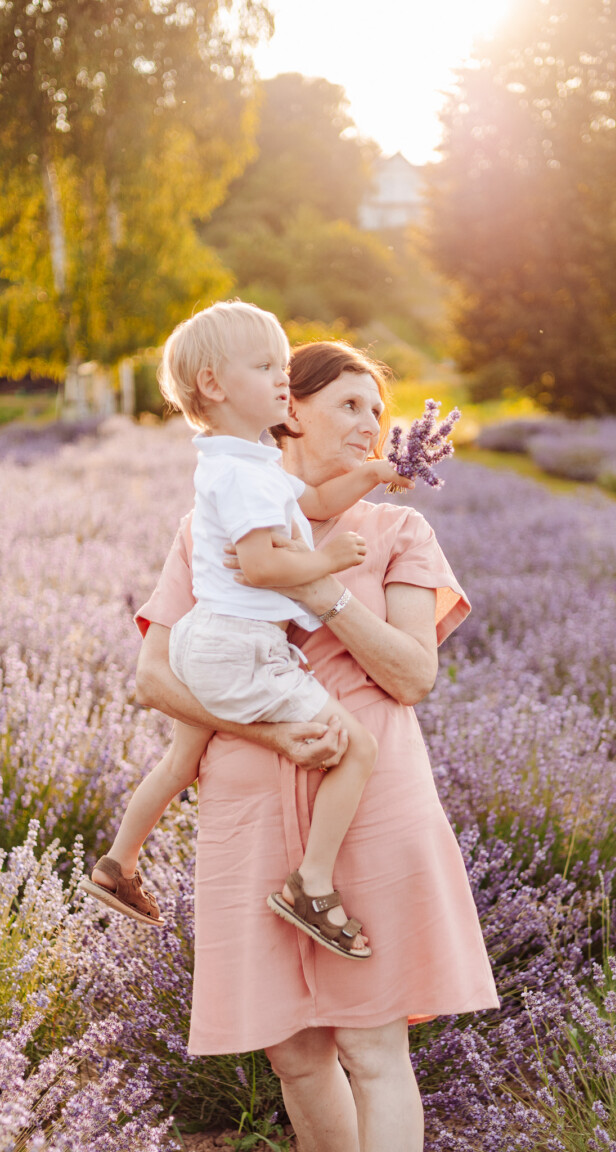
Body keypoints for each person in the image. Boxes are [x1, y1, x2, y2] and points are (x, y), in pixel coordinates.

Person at [133, 339, 499, 1151]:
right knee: (294, 1054)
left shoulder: (397, 529)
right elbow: (154, 679)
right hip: (251, 801)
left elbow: (410, 675)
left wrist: (323, 591)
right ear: (288, 408)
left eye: (379, 409)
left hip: (370, 804)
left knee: (373, 1044)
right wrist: (266, 732)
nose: (372, 424)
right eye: (349, 405)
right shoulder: (214, 527)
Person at [82, 302, 407, 960]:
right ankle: (311, 885)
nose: (283, 379)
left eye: (282, 365)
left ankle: (117, 863)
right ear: (214, 386)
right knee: (359, 750)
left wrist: (369, 474)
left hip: (209, 637)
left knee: (181, 760)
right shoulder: (243, 474)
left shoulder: (243, 463)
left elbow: (310, 504)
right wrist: (329, 562)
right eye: (265, 367)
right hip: (240, 647)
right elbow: (261, 566)